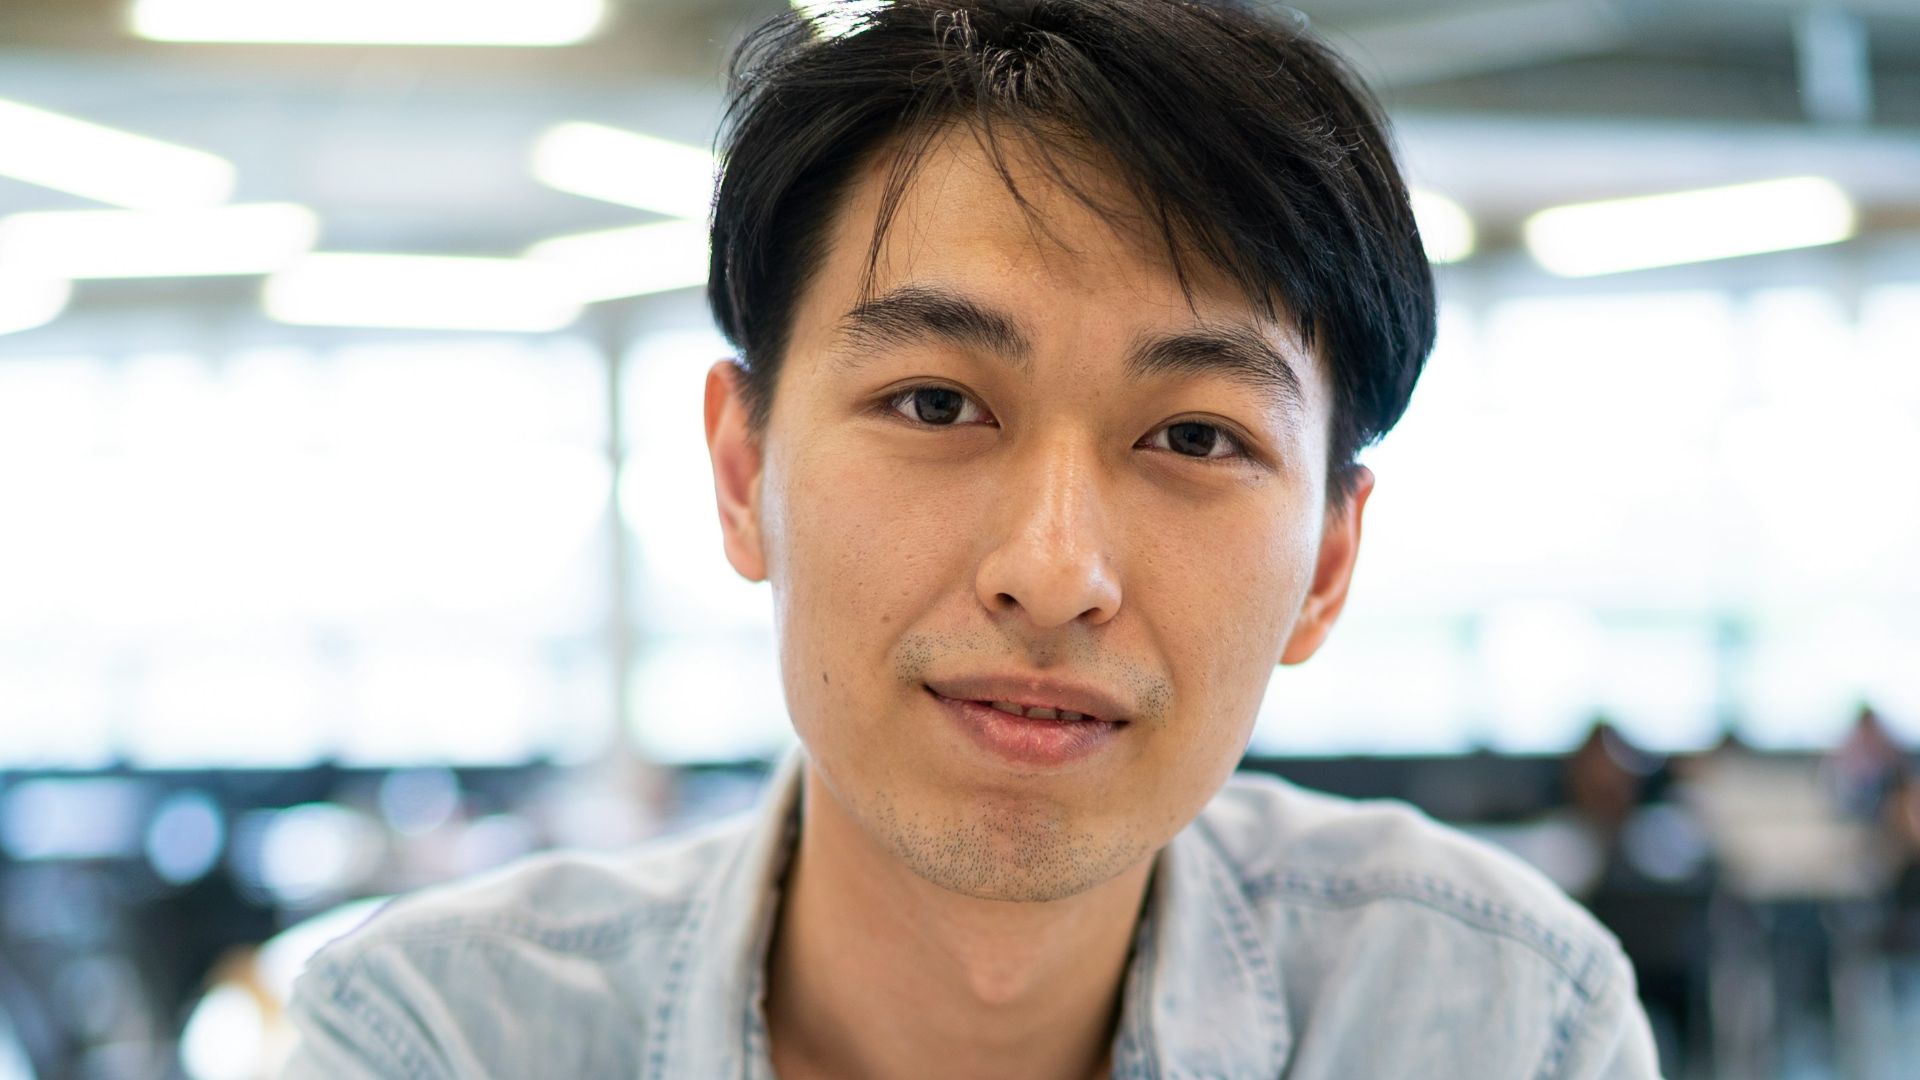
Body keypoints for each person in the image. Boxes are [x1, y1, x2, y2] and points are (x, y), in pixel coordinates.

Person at [282, 2, 1660, 1076]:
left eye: (1194, 436)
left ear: (1327, 566)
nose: (1055, 573)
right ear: (740, 467)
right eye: (937, 402)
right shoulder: (440, 1037)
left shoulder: (1502, 1019)